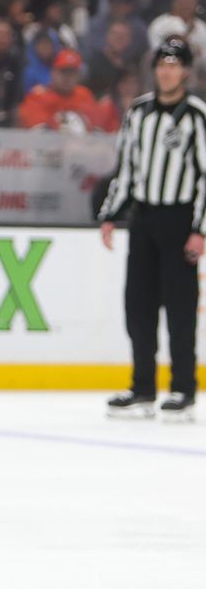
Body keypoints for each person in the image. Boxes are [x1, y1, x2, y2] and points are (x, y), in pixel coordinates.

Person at [98, 36, 206, 419]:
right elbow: (126, 168)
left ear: (186, 71)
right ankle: (142, 386)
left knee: (180, 309)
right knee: (138, 306)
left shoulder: (196, 115)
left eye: (174, 64)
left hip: (180, 221)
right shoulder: (138, 112)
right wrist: (111, 212)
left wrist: (200, 229)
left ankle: (183, 389)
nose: (167, 70)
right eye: (162, 63)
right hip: (143, 219)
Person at [17, 48, 109, 132]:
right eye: (63, 72)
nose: (67, 78)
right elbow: (39, 132)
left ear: (78, 76)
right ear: (53, 72)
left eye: (72, 73)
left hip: (81, 147)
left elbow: (97, 130)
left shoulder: (84, 95)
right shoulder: (38, 96)